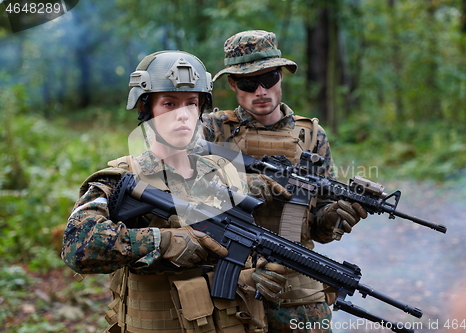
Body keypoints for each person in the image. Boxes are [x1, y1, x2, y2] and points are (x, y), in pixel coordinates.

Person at [61, 50, 285, 333]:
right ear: (146, 109)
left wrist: (258, 271)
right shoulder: (121, 179)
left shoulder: (223, 172)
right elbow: (77, 246)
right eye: (169, 104)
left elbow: (243, 240)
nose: (182, 115)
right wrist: (164, 242)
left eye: (191, 104)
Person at [202, 30, 368, 332]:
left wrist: (336, 217)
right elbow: (177, 191)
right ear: (232, 84)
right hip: (231, 284)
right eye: (248, 83)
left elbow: (317, 227)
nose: (261, 91)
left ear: (282, 76)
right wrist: (240, 188)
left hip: (297, 289)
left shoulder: (311, 136)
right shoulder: (212, 130)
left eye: (269, 79)